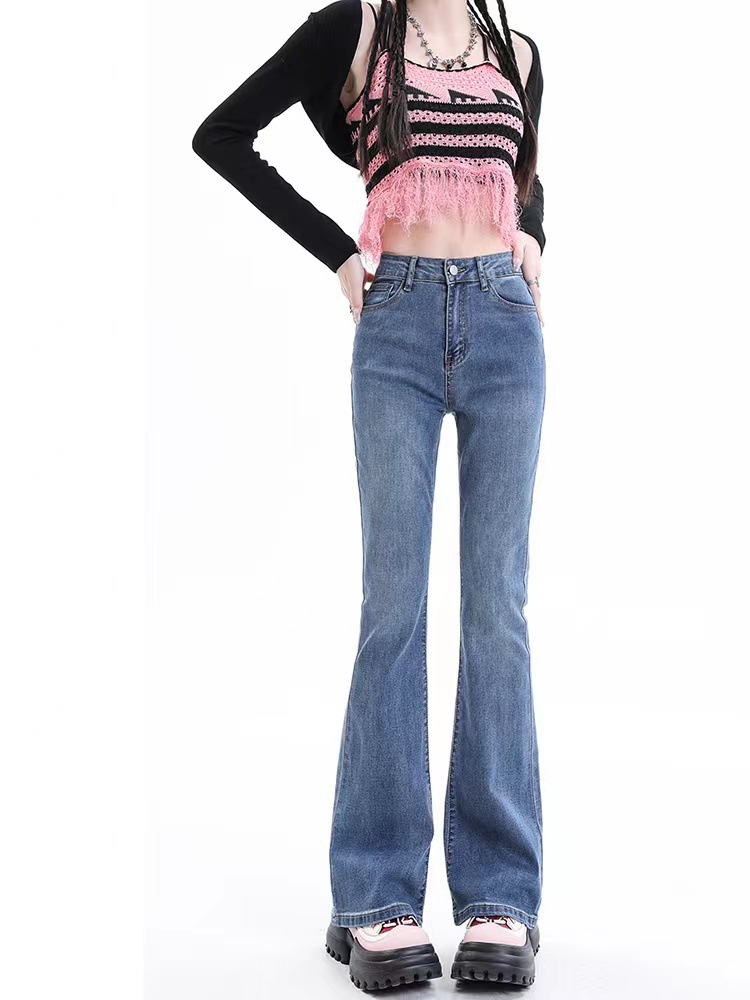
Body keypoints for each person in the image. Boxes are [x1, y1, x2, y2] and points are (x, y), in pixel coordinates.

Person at [193, 0, 547, 989]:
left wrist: (533, 237)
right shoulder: (352, 33)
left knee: (498, 612)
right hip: (395, 324)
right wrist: (341, 253)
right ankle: (375, 900)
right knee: (393, 608)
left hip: (506, 326)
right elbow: (222, 134)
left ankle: (501, 897)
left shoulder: (517, 52)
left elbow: (525, 175)